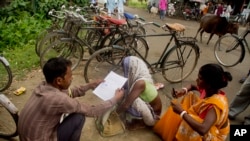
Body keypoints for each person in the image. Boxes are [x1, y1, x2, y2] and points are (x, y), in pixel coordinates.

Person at [18, 57, 124, 141]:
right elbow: (92, 111)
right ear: (59, 80)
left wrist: (90, 85)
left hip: (27, 137)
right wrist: (114, 99)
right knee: (79, 117)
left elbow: (68, 92)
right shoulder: (59, 99)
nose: (72, 78)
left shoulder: (43, 86)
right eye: (70, 76)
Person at [153, 63, 232, 141]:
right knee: (190, 96)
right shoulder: (209, 90)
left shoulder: (215, 106)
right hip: (207, 124)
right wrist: (183, 91)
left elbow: (203, 129)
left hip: (215, 135)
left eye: (200, 79)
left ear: (209, 84)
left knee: (188, 123)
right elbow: (192, 86)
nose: (196, 80)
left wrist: (182, 112)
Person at [116, 56, 162, 130]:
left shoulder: (139, 83)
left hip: (153, 117)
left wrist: (115, 113)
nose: (124, 71)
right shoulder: (141, 76)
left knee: (131, 100)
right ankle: (140, 118)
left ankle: (142, 123)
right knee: (128, 93)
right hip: (151, 108)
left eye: (126, 69)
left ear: (132, 69)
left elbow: (126, 105)